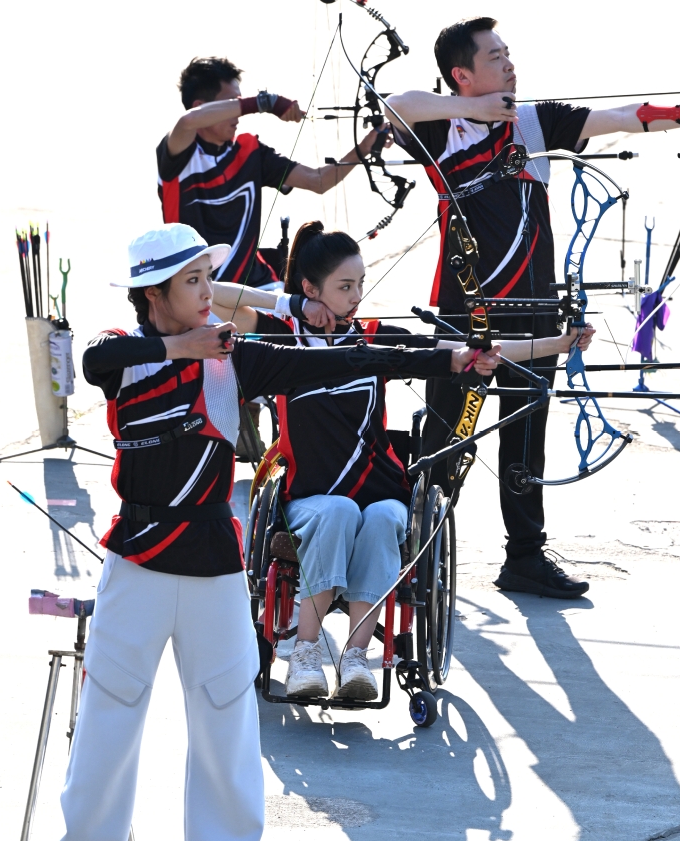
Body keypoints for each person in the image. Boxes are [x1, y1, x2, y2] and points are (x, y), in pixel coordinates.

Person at [34, 222, 501, 841]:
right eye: (194, 283)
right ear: (156, 294)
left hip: (215, 568)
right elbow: (98, 358)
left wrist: (454, 357)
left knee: (225, 733)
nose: (208, 295)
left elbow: (357, 359)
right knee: (107, 728)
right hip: (137, 562)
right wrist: (183, 347)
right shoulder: (125, 355)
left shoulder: (235, 359)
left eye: (206, 280)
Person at [387, 16, 680, 599]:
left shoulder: (534, 121)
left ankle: (524, 556)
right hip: (466, 313)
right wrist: (474, 112)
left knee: (526, 438)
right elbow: (395, 103)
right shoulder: (442, 130)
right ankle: (412, 552)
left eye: (509, 52)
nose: (509, 62)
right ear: (462, 75)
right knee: (453, 438)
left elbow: (627, 118)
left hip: (532, 309)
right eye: (495, 56)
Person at [213, 221, 593, 701]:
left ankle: (355, 658)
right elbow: (213, 296)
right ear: (311, 288)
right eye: (344, 287)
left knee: (386, 517)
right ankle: (305, 653)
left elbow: (470, 351)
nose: (355, 297)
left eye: (360, 286)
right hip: (309, 495)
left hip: (377, 487)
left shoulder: (374, 336)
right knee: (336, 511)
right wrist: (291, 305)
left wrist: (557, 344)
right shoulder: (280, 335)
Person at [157, 56, 387, 290]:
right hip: (199, 292)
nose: (239, 113)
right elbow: (187, 122)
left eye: (240, 103)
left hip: (258, 286)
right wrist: (264, 103)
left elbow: (318, 181)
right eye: (232, 103)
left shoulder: (250, 152)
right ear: (202, 107)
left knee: (307, 313)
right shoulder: (178, 154)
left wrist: (364, 148)